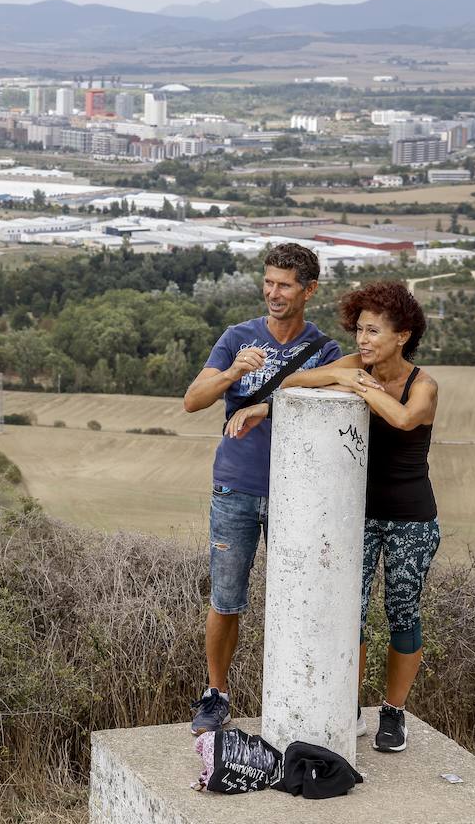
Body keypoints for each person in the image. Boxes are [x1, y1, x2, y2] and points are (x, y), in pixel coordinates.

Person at [181, 243, 342, 735]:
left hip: (298, 493)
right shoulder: (237, 337)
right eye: (269, 282)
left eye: (285, 285)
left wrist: (268, 405)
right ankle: (216, 695)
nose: (274, 292)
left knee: (299, 600)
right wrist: (234, 372)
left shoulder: (325, 350)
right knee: (226, 599)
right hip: (236, 487)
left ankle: (297, 698)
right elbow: (192, 400)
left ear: (309, 291)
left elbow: (339, 394)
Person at [280, 280, 439, 754]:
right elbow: (292, 381)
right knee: (350, 611)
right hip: (359, 515)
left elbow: (404, 419)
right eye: (360, 330)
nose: (362, 340)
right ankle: (348, 707)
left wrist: (360, 386)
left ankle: (393, 712)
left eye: (373, 331)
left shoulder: (423, 385)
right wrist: (345, 377)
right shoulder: (357, 367)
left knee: (402, 611)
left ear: (402, 335)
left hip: (412, 518)